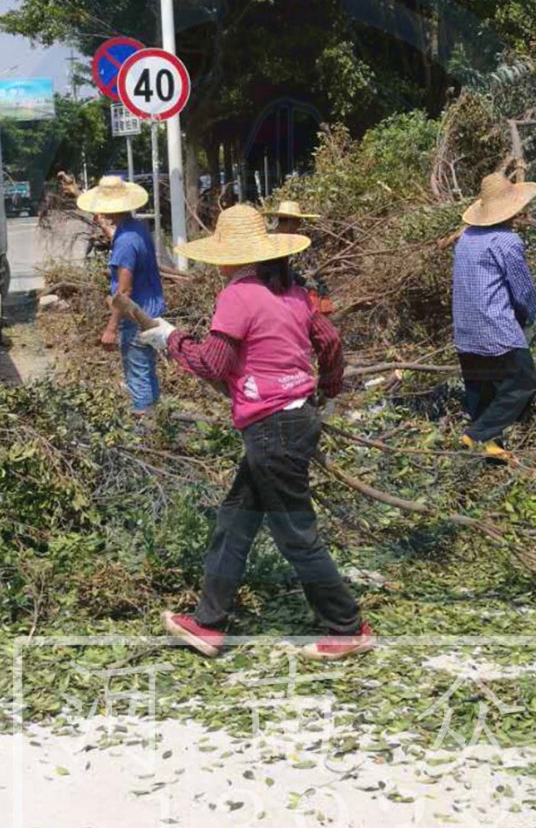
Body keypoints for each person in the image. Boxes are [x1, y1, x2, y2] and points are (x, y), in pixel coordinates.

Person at [130, 204, 374, 661]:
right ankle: (209, 623)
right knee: (236, 520)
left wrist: (170, 339)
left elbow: (212, 364)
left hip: (272, 427)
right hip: (294, 419)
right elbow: (330, 341)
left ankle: (347, 626)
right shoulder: (293, 291)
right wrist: (328, 391)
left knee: (295, 533)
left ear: (229, 257)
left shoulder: (238, 295)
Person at [451, 172, 536, 460]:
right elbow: (522, 290)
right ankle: (476, 436)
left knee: (482, 394)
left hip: (466, 332)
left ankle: (489, 453)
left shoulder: (465, 239)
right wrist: (529, 318)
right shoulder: (507, 241)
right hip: (496, 329)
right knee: (523, 383)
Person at [77, 175, 164, 415]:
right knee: (147, 369)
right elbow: (119, 240)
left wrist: (111, 329)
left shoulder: (125, 242)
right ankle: (158, 421)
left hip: (136, 317)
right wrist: (104, 224)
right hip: (152, 312)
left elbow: (124, 291)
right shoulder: (137, 228)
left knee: (137, 375)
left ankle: (145, 427)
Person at [265, 200, 333, 315]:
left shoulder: (284, 240)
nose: (298, 226)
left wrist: (303, 281)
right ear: (287, 222)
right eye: (296, 222)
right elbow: (273, 274)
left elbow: (284, 269)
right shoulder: (271, 243)